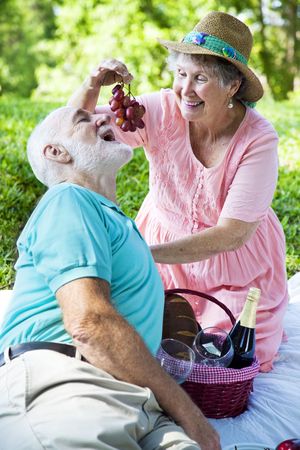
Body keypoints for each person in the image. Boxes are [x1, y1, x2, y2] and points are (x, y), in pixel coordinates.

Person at [68, 11, 289, 373]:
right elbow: (75, 136)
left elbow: (233, 234)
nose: (185, 89)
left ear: (232, 86)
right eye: (181, 74)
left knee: (226, 359)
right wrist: (93, 84)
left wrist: (142, 253)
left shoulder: (258, 140)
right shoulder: (160, 109)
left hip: (234, 266)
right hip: (164, 251)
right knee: (130, 344)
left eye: (200, 78)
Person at [0, 106, 221, 450]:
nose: (104, 117)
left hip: (138, 399)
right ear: (57, 153)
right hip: (67, 383)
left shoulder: (115, 220)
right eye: (84, 120)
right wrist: (187, 412)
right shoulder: (68, 199)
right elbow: (90, 322)